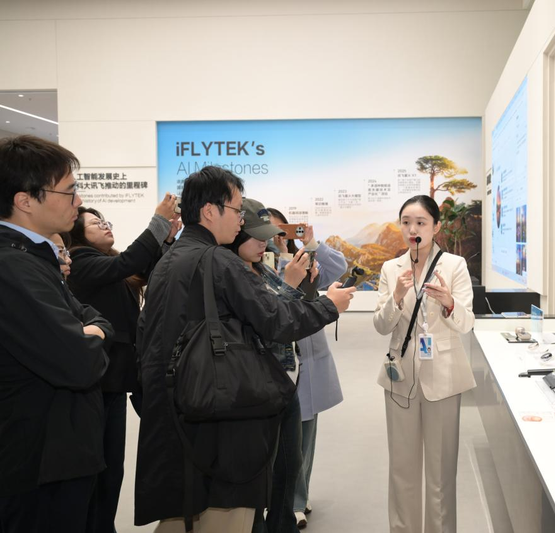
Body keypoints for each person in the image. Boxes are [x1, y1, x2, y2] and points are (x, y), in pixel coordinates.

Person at [135, 166, 355, 532]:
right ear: (210, 211)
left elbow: (146, 334)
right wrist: (329, 306)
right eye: (237, 210)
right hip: (222, 413)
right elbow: (277, 320)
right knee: (227, 515)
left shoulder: (168, 261)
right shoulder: (219, 260)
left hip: (178, 409)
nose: (241, 220)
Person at [0, 135, 114, 533]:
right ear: (25, 200)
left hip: (58, 456)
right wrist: (90, 336)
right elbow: (80, 362)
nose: (78, 202)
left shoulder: (34, 259)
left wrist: (91, 331)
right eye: (68, 192)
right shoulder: (14, 267)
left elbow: (95, 320)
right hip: (38, 464)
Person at [65, 195, 181, 533]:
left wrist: (166, 240)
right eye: (95, 223)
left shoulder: (107, 263)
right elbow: (129, 262)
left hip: (115, 381)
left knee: (112, 466)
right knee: (99, 466)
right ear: (78, 234)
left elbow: (144, 269)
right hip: (97, 382)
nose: (105, 226)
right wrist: (157, 222)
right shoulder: (80, 261)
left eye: (105, 221)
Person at [373, 195, 475, 533]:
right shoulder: (391, 269)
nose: (412, 229)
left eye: (420, 223)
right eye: (406, 222)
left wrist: (449, 303)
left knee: (441, 473)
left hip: (443, 378)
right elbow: (381, 325)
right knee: (401, 469)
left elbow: (467, 323)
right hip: (399, 377)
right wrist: (396, 298)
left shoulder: (454, 266)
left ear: (436, 226)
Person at [223, 198, 312, 533]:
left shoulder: (261, 268)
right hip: (257, 387)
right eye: (257, 236)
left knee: (288, 469)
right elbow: (271, 322)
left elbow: (289, 316)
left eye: (267, 235)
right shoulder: (230, 274)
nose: (265, 242)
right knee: (260, 477)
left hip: (284, 382)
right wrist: (290, 285)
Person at [265, 208, 347, 529]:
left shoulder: (304, 260)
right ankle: (283, 499)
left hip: (308, 361)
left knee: (305, 437)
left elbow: (338, 267)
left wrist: (311, 244)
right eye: (267, 231)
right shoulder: (258, 268)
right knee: (283, 440)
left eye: (280, 230)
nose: (273, 238)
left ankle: (298, 499)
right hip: (278, 364)